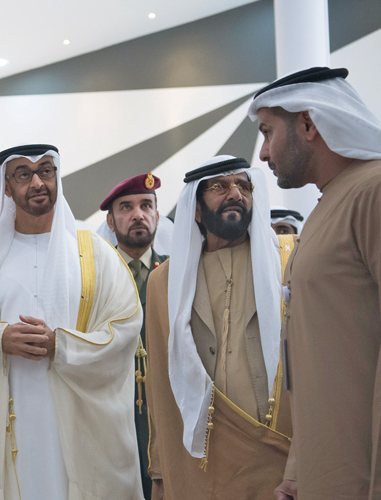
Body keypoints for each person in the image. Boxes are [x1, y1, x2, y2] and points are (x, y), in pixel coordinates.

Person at [0, 143, 144, 499]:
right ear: (6, 186)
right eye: (23, 174)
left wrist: (61, 346)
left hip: (78, 427)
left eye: (46, 171)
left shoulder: (96, 255)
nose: (37, 182)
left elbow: (124, 327)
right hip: (7, 421)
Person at [249, 66, 381, 500]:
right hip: (327, 472)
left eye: (268, 132)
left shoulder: (372, 192)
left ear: (308, 124)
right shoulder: (332, 201)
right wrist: (298, 469)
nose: (263, 154)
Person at [145, 155, 292, 499]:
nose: (235, 194)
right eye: (219, 187)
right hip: (198, 460)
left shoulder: (286, 261)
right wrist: (160, 471)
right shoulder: (164, 282)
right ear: (196, 209)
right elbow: (160, 383)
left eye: (243, 185)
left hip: (275, 454)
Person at [99, 173, 168, 500]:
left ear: (157, 215)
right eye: (126, 207)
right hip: (113, 408)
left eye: (146, 206)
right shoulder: (96, 276)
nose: (138, 214)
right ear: (111, 221)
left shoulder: (176, 273)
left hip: (166, 410)